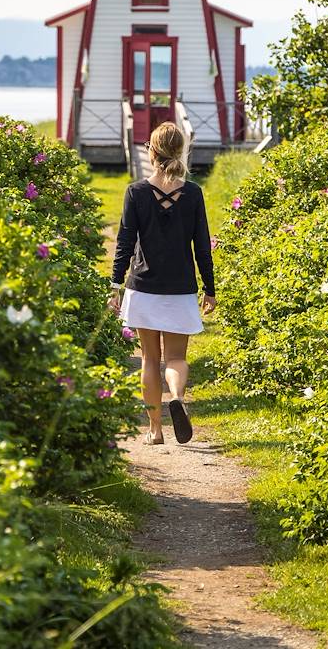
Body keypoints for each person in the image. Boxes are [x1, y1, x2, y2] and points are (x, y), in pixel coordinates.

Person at [108, 121, 216, 445]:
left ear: (151, 152)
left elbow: (124, 244)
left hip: (143, 288)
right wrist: (209, 289)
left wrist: (115, 286)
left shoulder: (136, 192)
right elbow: (202, 246)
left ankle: (155, 430)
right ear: (180, 151)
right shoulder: (193, 193)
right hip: (181, 289)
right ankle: (178, 398)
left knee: (149, 359)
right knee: (176, 359)